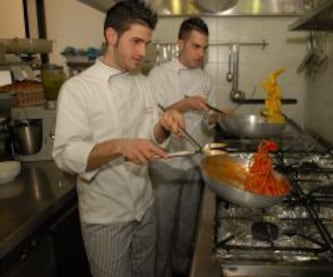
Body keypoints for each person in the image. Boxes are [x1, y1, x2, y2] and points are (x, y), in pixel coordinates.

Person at [52, 1, 185, 277]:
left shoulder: (143, 83)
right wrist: (118, 146)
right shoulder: (77, 89)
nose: (142, 52)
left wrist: (164, 125)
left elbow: (152, 137)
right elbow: (66, 154)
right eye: (136, 41)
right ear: (111, 36)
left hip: (145, 208)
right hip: (106, 218)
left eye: (146, 44)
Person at [148, 17, 217, 277]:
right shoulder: (158, 75)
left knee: (188, 228)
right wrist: (186, 104)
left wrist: (215, 118)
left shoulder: (206, 79)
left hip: (194, 164)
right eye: (195, 47)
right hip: (165, 164)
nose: (200, 54)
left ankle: (183, 271)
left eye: (204, 48)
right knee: (163, 228)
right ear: (180, 43)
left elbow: (207, 123)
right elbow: (154, 120)